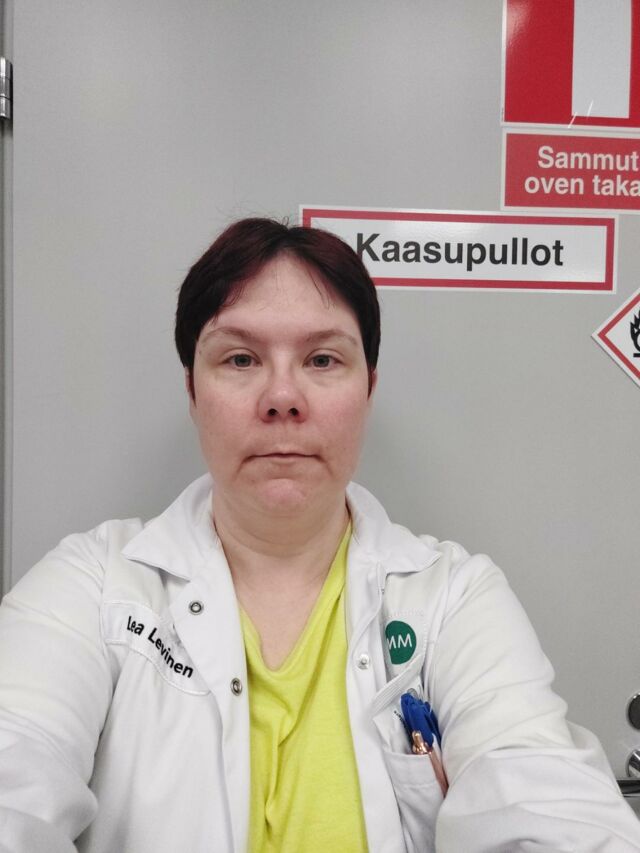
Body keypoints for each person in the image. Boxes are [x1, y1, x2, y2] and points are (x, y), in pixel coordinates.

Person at [0, 218, 638, 853]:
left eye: (323, 359)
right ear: (193, 391)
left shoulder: (454, 597)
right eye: (240, 358)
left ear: (368, 389)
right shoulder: (92, 584)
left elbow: (541, 793)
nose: (282, 397)